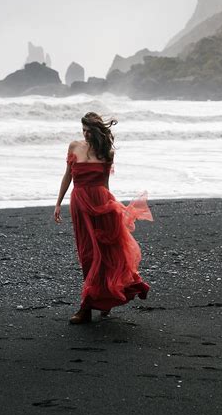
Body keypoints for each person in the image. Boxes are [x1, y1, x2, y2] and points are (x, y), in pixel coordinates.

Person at [54, 111, 153, 324]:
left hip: (101, 203)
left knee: (107, 252)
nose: (86, 135)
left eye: (90, 131)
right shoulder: (74, 147)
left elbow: (106, 186)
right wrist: (58, 202)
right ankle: (91, 305)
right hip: (80, 204)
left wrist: (111, 207)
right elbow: (68, 176)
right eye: (84, 131)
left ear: (98, 131)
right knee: (88, 254)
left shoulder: (106, 152)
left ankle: (93, 303)